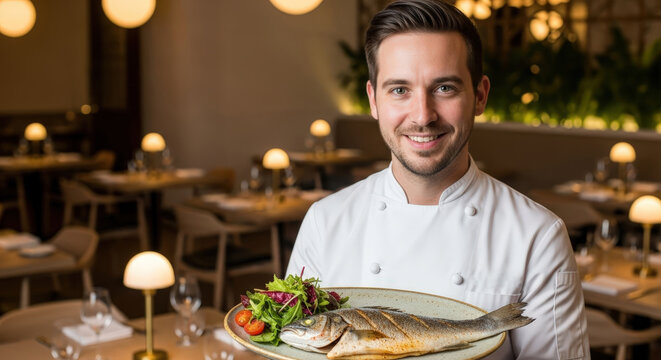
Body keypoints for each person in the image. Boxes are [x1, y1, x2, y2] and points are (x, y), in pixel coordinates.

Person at [286, 0, 589, 358]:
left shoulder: (537, 237)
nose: (423, 116)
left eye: (444, 88)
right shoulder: (325, 221)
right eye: (399, 90)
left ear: (479, 95)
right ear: (373, 100)